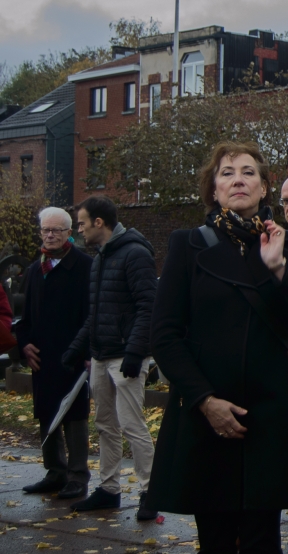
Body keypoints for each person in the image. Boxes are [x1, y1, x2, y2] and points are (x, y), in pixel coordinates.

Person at [146, 141, 288, 553]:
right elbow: (165, 335)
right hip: (207, 414)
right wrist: (205, 401)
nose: (238, 180)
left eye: (248, 172)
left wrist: (279, 267)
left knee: (264, 538)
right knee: (216, 538)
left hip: (270, 416)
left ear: (264, 187)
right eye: (227, 173)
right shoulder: (188, 244)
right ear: (214, 189)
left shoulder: (287, 244)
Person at [63, 195, 157, 519]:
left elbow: (148, 306)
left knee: (132, 425)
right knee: (105, 424)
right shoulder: (101, 257)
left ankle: (150, 492)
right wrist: (76, 349)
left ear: (99, 222)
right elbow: (97, 314)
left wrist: (134, 351)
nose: (79, 230)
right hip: (101, 356)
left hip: (125, 357)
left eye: (82, 224)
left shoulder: (135, 253)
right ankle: (108, 489)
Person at [16, 207, 92, 500]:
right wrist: (24, 344)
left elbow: (92, 313)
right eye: (45, 230)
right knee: (47, 410)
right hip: (42, 355)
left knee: (74, 413)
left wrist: (86, 351)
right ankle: (55, 471)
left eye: (56, 230)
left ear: (68, 233)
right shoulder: (36, 269)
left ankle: (77, 475)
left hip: (74, 353)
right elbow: (23, 316)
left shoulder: (84, 266)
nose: (49, 235)